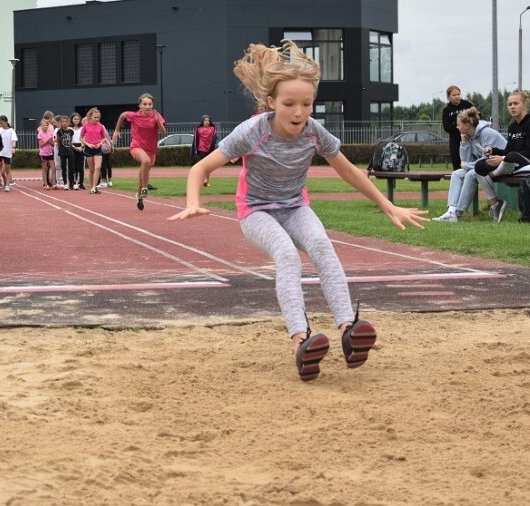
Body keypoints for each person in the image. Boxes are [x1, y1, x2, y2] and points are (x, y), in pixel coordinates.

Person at [168, 41, 428, 382]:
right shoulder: (253, 132)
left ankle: (349, 331)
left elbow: (348, 170)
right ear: (271, 103)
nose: (298, 112)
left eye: (307, 104)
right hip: (256, 211)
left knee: (322, 246)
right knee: (287, 256)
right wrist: (192, 202)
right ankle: (301, 342)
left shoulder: (313, 132)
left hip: (295, 206)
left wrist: (386, 204)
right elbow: (200, 169)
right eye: (289, 104)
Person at [474, 91, 530, 223]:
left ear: (524, 104)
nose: (512, 107)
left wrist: (502, 159)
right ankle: (496, 204)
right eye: (509, 104)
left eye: (516, 103)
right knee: (479, 166)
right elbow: (507, 150)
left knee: (511, 156)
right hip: (511, 164)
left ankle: (493, 174)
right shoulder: (512, 126)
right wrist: (493, 150)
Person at [433, 107, 507, 222]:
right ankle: (451, 211)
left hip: (501, 164)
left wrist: (466, 165)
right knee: (457, 173)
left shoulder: (486, 133)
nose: (457, 127)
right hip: (484, 166)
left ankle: (458, 214)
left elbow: (486, 160)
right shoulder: (469, 136)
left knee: (471, 174)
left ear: (467, 125)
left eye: (458, 125)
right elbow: (465, 160)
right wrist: (464, 143)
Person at [112, 93, 167, 209]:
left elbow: (164, 133)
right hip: (136, 147)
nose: (147, 106)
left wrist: (158, 123)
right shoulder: (134, 116)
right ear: (140, 105)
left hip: (151, 150)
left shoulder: (157, 116)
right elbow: (122, 115)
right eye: (144, 104)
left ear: (152, 105)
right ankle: (145, 188)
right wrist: (117, 130)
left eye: (149, 104)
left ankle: (140, 197)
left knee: (142, 174)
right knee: (145, 161)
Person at [441, 85, 474, 171]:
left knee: (470, 164)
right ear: (448, 97)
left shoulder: (468, 105)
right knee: (457, 166)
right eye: (454, 95)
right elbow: (447, 127)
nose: (457, 97)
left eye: (458, 94)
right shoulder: (446, 110)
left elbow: (477, 118)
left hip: (469, 139)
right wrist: (459, 124)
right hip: (455, 141)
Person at [80, 107, 109, 194]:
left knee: (98, 167)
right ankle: (92, 187)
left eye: (98, 117)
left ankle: (94, 187)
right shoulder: (86, 125)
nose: (97, 119)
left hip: (98, 149)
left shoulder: (100, 126)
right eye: (95, 117)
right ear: (90, 117)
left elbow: (104, 138)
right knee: (92, 169)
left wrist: (100, 143)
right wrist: (88, 144)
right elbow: (81, 138)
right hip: (89, 149)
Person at [191, 115, 218, 187]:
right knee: (202, 166)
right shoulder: (198, 129)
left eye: (208, 120)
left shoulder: (213, 129)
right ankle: (202, 180)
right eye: (205, 120)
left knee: (208, 166)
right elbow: (195, 140)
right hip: (201, 149)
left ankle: (207, 181)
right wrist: (195, 151)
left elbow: (214, 138)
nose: (207, 122)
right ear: (202, 121)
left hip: (209, 149)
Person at [0, 115, 17, 192]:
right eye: (0, 123)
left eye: (2, 123)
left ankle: (7, 185)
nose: (1, 125)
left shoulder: (11, 130)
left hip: (7, 153)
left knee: (7, 170)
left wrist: (13, 148)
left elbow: (14, 140)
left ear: (6, 122)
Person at [55, 115, 74, 190]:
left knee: (71, 168)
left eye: (66, 122)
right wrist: (60, 150)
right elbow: (58, 141)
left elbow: (71, 141)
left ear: (68, 122)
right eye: (62, 122)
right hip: (62, 152)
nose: (64, 123)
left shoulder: (71, 131)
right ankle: (65, 183)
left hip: (70, 151)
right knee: (63, 168)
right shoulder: (59, 131)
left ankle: (71, 183)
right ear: (60, 123)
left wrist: (69, 147)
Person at [37, 119, 56, 189]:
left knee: (53, 168)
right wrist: (47, 141)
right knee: (45, 168)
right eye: (43, 125)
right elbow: (41, 145)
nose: (45, 126)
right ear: (41, 126)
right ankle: (45, 184)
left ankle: (54, 183)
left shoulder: (50, 133)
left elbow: (53, 144)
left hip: (50, 152)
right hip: (43, 153)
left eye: (46, 125)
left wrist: (50, 142)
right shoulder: (40, 134)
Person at [70, 112, 85, 190]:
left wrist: (81, 147)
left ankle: (81, 183)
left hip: (81, 147)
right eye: (75, 119)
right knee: (74, 167)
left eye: (78, 119)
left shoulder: (82, 128)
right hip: (73, 147)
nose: (76, 120)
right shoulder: (69, 129)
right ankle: (74, 182)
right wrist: (74, 147)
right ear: (72, 120)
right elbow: (69, 140)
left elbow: (84, 138)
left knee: (81, 167)